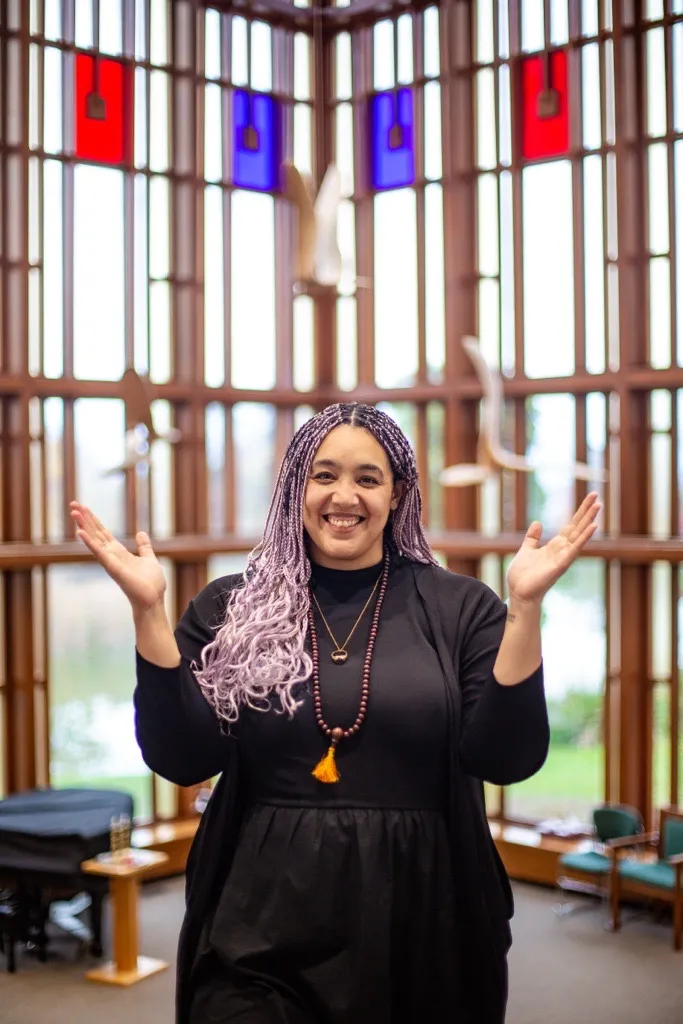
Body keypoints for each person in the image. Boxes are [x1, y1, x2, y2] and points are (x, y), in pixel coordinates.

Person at [71, 402, 599, 1024]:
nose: (343, 496)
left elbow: (506, 759)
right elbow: (184, 758)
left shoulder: (460, 609)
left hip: (424, 909)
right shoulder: (233, 609)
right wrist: (148, 614)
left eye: (367, 479)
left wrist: (525, 608)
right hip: (258, 915)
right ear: (298, 486)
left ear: (397, 494)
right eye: (323, 475)